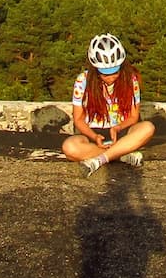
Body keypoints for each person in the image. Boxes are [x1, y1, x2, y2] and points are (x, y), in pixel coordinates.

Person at [62, 34, 156, 176]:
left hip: (121, 132)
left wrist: (118, 128)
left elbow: (133, 116)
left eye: (115, 72)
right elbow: (79, 119)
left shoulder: (131, 80)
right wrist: (94, 137)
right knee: (69, 148)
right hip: (93, 133)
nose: (110, 77)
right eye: (105, 74)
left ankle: (99, 160)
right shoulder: (82, 81)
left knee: (148, 128)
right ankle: (121, 155)